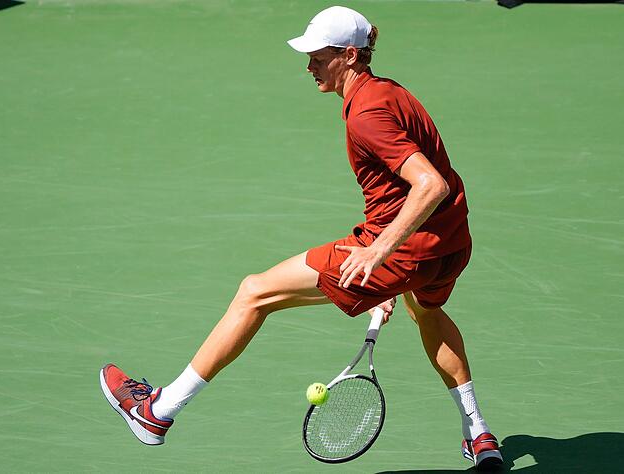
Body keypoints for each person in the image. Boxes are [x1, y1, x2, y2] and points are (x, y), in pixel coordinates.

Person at [99, 5, 502, 470]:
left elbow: (430, 184)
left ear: (349, 55)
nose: (308, 65)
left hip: (402, 248)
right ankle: (479, 433)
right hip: (449, 246)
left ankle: (158, 413)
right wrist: (393, 273)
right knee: (427, 314)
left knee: (254, 292)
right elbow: (407, 190)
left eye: (317, 55)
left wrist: (379, 254)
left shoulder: (365, 115)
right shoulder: (389, 91)